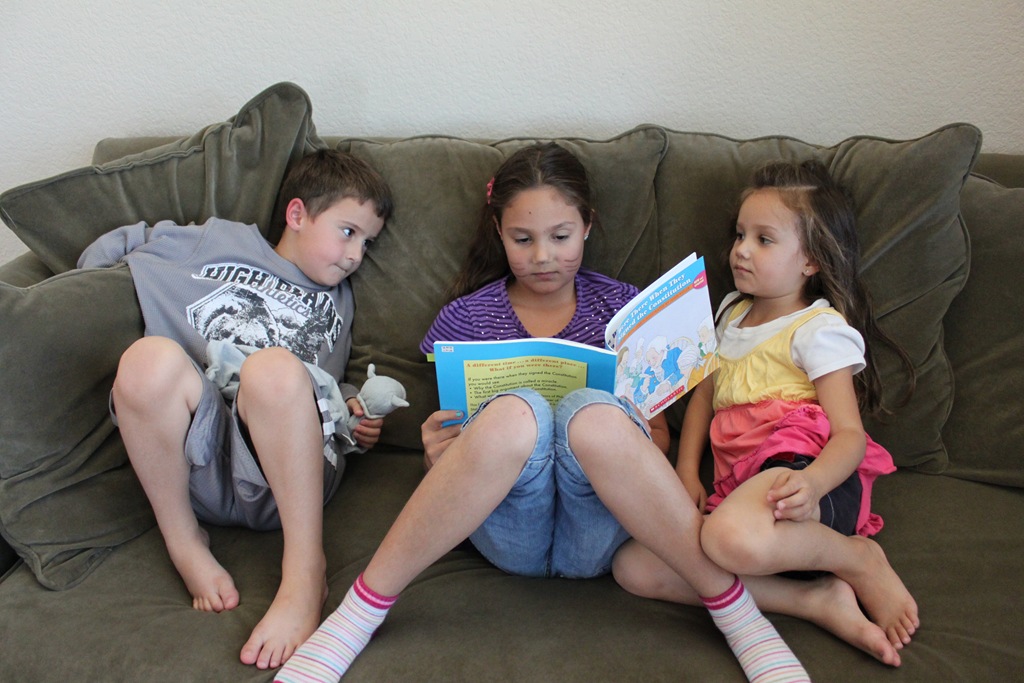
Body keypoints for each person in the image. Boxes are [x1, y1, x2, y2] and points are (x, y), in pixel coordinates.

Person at [277, 143, 809, 683]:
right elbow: (455, 437)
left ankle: (739, 615)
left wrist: (630, 430)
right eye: (522, 239)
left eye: (560, 236)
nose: (542, 257)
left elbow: (658, 437)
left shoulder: (623, 309)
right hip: (507, 525)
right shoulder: (465, 318)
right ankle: (356, 617)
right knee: (517, 411)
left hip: (602, 523)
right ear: (498, 232)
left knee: (591, 412)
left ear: (588, 226)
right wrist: (438, 449)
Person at [76, 149, 394, 670]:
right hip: (192, 464)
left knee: (273, 369)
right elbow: (130, 241)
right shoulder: (217, 240)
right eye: (347, 232)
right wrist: (87, 287)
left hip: (285, 480)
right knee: (145, 360)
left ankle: (304, 572)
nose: (356, 254)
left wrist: (354, 413)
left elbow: (329, 384)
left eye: (368, 242)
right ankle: (184, 543)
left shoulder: (338, 300)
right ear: (297, 214)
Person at [613, 159, 920, 667]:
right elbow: (704, 399)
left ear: (811, 261)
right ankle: (813, 599)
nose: (741, 250)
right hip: (745, 502)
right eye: (740, 235)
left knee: (726, 537)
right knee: (633, 567)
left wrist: (814, 484)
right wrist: (686, 472)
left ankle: (857, 558)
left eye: (763, 239)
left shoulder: (817, 329)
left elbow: (850, 436)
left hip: (804, 484)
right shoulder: (730, 312)